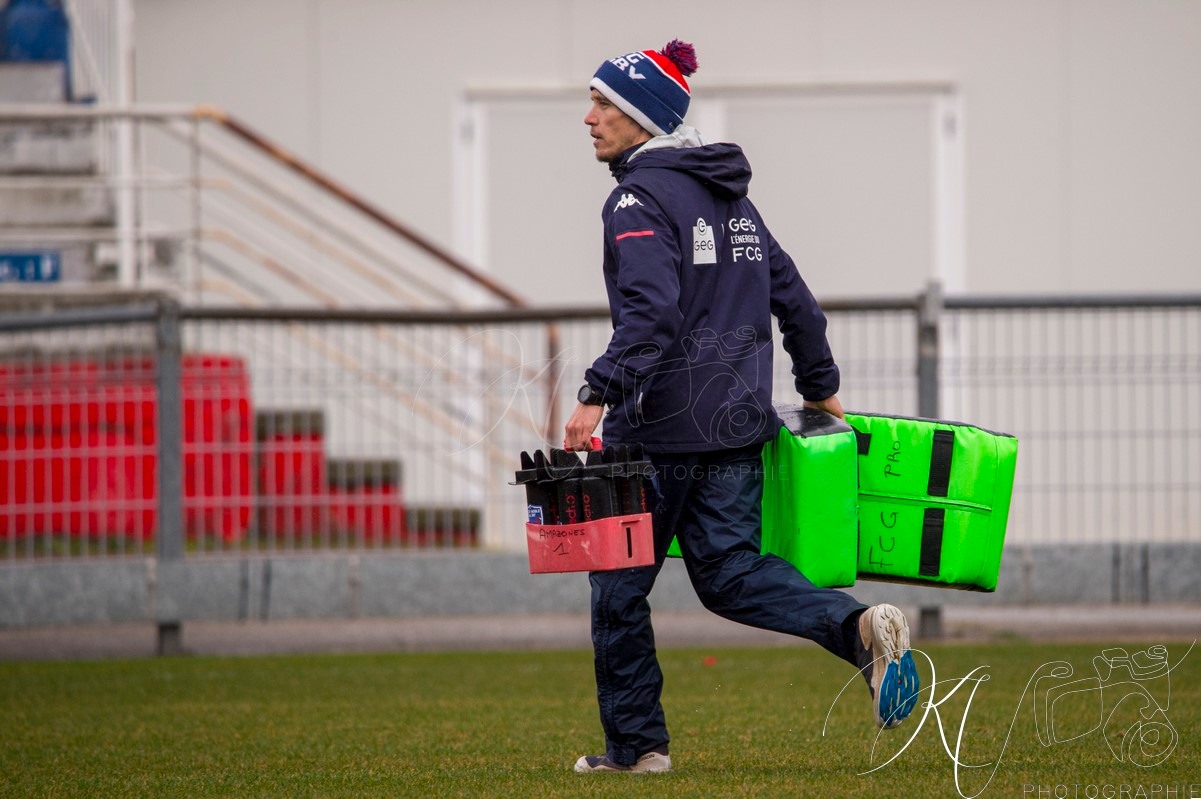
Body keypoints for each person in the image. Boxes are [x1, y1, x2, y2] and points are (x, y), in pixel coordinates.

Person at [563, 39, 920, 774]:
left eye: (603, 104)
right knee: (730, 575)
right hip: (733, 432)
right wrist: (821, 391)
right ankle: (858, 629)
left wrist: (595, 392)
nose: (589, 117)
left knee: (618, 588)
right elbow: (796, 301)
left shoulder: (634, 199)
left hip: (652, 436)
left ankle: (636, 749)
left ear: (640, 118)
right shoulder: (735, 199)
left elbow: (652, 313)